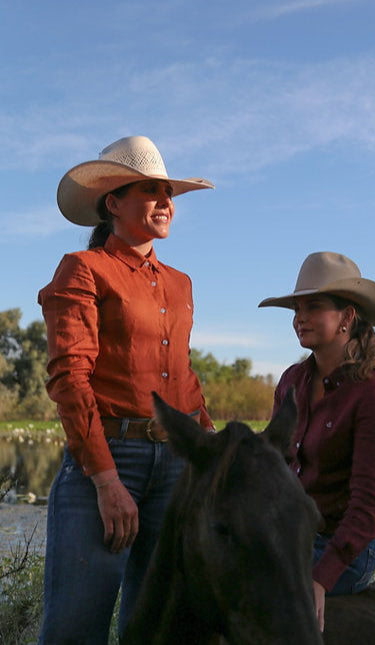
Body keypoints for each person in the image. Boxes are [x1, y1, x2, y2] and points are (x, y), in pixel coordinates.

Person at [38, 135, 215, 644]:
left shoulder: (180, 283)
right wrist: (106, 479)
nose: (165, 202)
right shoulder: (84, 269)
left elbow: (182, 378)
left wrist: (210, 450)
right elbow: (70, 378)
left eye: (169, 192)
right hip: (109, 460)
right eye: (150, 190)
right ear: (113, 203)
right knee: (75, 631)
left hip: (176, 465)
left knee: (155, 630)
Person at [259, 251, 375, 632]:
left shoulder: (373, 397)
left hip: (341, 549)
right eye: (296, 308)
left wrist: (320, 577)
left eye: (314, 307)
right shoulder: (292, 381)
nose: (299, 318)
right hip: (291, 536)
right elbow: (272, 468)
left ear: (347, 317)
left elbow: (366, 509)